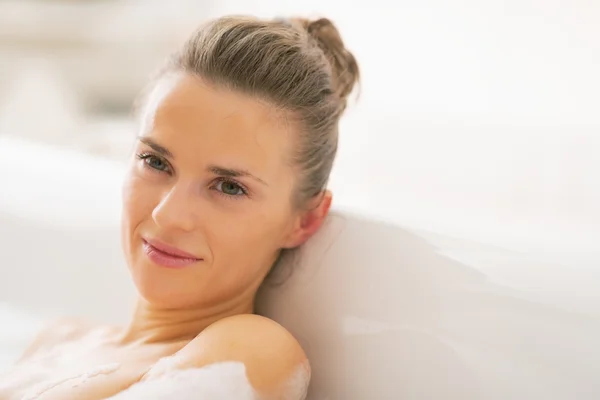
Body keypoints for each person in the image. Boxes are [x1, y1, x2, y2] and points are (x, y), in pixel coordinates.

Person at [0, 14, 359, 400]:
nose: (167, 215)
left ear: (305, 220)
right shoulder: (58, 340)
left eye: (228, 187)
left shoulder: (254, 350)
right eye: (156, 162)